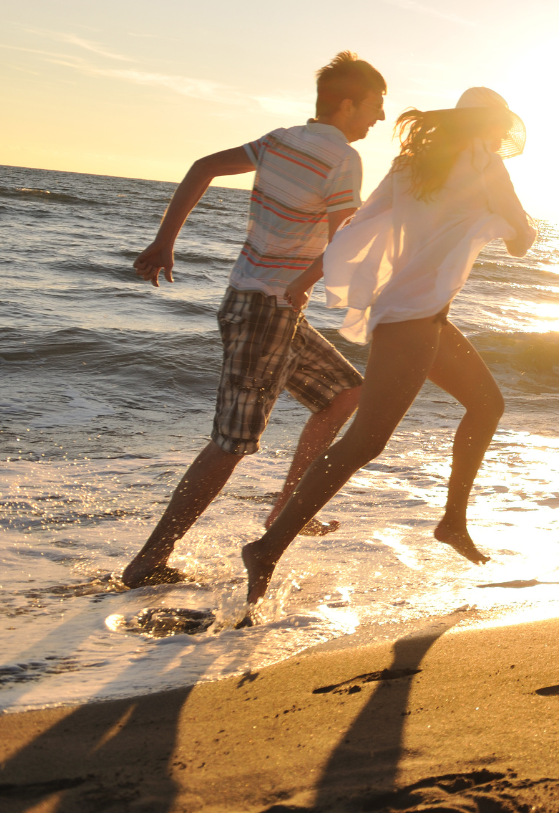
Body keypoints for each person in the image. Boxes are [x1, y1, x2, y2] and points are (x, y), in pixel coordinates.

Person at [241, 87, 537, 605]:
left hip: (411, 313)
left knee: (487, 404)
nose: (498, 137)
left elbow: (357, 225)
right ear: (488, 126)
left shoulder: (410, 165)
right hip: (413, 319)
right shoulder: (485, 164)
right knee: (365, 442)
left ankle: (452, 521)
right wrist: (509, 225)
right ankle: (268, 548)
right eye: (497, 127)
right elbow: (522, 240)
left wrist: (311, 277)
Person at [120, 52, 387, 589]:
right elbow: (343, 243)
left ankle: (288, 509)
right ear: (346, 104)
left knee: (345, 394)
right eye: (375, 106)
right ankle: (148, 562)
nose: (379, 117)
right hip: (268, 308)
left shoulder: (280, 140)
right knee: (232, 442)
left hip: (262, 305)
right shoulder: (342, 158)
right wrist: (304, 282)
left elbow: (203, 167)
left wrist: (165, 241)